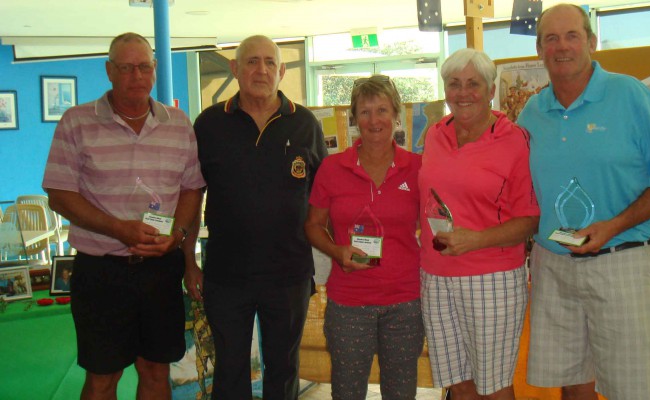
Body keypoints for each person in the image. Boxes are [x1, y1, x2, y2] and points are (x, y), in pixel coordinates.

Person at [517, 4, 650, 400]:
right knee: (573, 382)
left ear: (591, 42)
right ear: (540, 50)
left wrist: (613, 226)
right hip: (553, 263)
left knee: (633, 388)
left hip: (620, 260)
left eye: (572, 35)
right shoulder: (532, 112)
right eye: (551, 39)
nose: (562, 46)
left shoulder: (629, 94)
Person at [42, 32, 205, 399]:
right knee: (103, 376)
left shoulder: (179, 123)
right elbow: (59, 196)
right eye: (127, 68)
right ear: (109, 71)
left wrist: (178, 236)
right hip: (102, 272)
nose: (137, 76)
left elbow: (191, 189)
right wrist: (118, 229)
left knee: (156, 371)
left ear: (155, 69)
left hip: (161, 270)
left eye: (144, 67)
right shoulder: (76, 122)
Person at [188, 35, 327, 399]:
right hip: (226, 274)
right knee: (230, 371)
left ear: (282, 71)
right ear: (235, 69)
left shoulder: (305, 123)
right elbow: (190, 196)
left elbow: (325, 197)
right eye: (251, 61)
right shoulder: (209, 124)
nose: (261, 70)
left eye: (269, 62)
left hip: (289, 272)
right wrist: (187, 261)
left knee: (283, 370)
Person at [418, 48, 540, 400]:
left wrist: (476, 239)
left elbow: (530, 219)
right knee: (458, 384)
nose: (463, 92)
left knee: (494, 386)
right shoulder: (435, 135)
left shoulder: (514, 139)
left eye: (474, 84)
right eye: (454, 84)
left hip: (492, 278)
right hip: (435, 276)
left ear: (491, 90)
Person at [304, 75, 424, 399]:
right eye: (365, 112)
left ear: (396, 114)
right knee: (347, 392)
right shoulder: (332, 168)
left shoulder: (417, 168)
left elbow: (433, 223)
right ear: (354, 118)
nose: (374, 120)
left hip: (405, 301)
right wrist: (337, 250)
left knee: (401, 393)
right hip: (349, 302)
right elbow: (313, 225)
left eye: (382, 110)